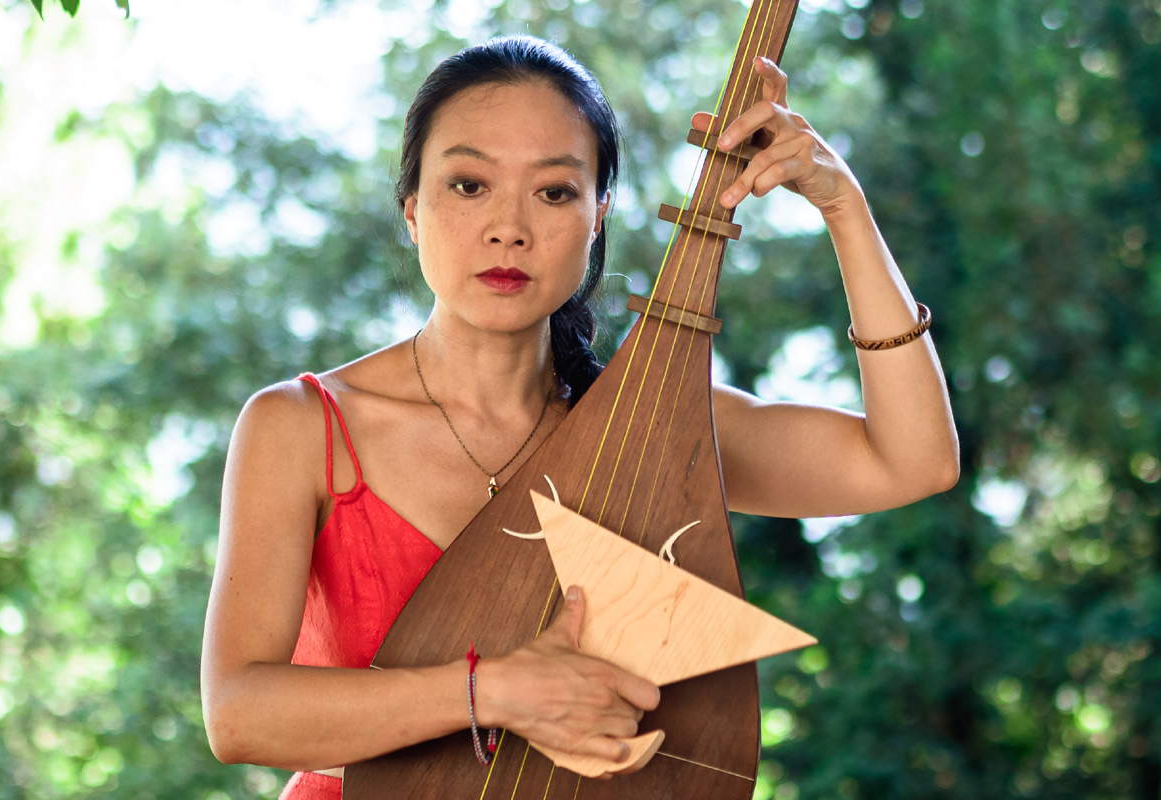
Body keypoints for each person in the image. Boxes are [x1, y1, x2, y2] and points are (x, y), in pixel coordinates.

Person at [201, 36, 957, 799]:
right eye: (468, 185)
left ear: (598, 215)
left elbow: (913, 460)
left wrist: (843, 207)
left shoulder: (652, 431)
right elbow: (238, 714)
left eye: (554, 191)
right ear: (412, 212)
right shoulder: (303, 426)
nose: (509, 228)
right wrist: (492, 693)